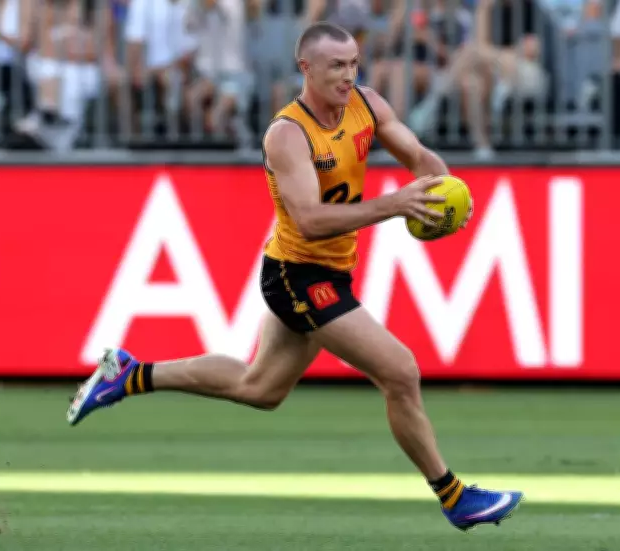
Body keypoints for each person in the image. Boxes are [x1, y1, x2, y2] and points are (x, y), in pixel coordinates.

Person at [66, 21, 523, 532]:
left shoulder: (367, 105)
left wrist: (447, 190)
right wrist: (394, 204)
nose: (348, 75)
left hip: (330, 271)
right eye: (336, 66)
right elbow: (309, 219)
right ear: (306, 68)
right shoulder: (288, 134)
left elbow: (418, 157)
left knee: (260, 388)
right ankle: (455, 497)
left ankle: (129, 374)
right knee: (399, 371)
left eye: (353, 64)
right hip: (296, 274)